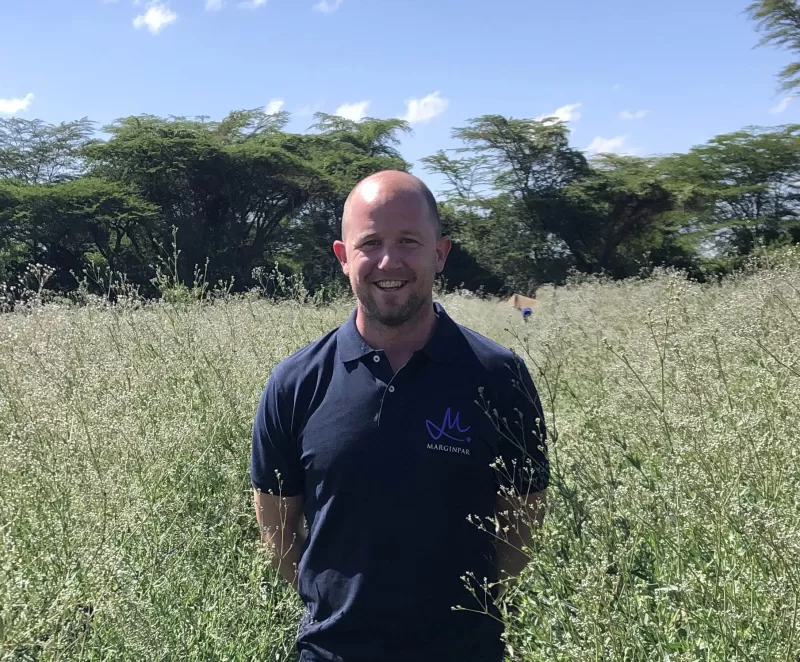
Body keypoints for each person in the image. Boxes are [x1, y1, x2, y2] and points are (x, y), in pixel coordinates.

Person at [250, 170, 549, 662]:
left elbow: (520, 528)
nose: (389, 261)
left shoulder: (499, 376)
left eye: (409, 240)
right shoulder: (294, 383)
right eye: (370, 243)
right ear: (343, 258)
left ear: (440, 252)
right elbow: (278, 537)